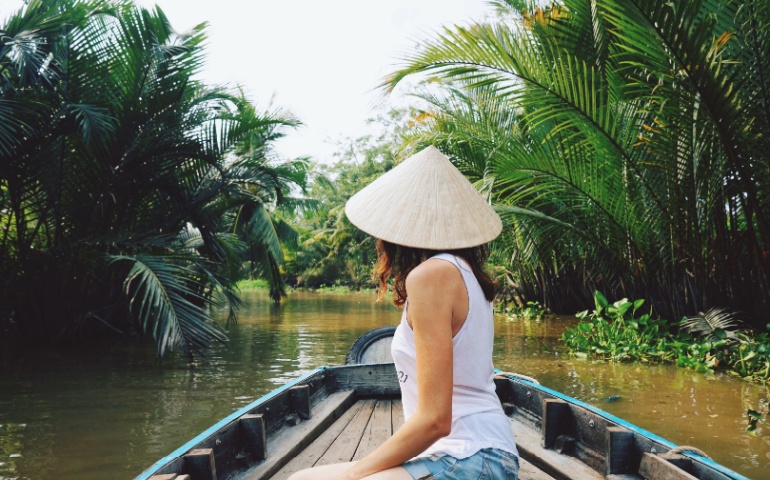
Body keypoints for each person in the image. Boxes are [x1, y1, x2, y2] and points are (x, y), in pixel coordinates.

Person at [288, 146, 519, 480]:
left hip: (472, 457)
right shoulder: (463, 272)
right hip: (475, 454)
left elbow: (436, 420)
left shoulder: (432, 275)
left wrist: (355, 475)